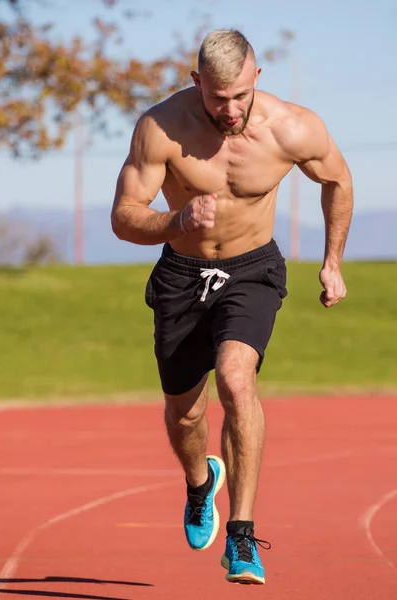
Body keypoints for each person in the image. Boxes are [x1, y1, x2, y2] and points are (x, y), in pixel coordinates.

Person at [111, 29, 353, 585]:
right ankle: (201, 485)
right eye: (218, 97)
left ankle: (242, 537)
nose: (231, 108)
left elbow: (337, 181)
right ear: (197, 82)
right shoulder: (161, 127)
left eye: (240, 95)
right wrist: (176, 222)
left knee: (236, 379)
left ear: (256, 79)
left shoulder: (293, 126)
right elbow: (124, 217)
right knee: (184, 413)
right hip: (181, 273)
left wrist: (332, 259)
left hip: (252, 270)